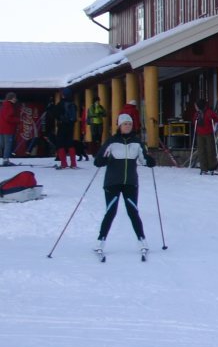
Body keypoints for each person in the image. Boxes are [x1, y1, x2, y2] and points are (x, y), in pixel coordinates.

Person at [92, 113, 155, 256]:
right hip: (112, 183)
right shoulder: (112, 142)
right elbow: (98, 159)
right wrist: (101, 160)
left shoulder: (137, 142)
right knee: (111, 212)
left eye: (130, 124)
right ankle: (100, 242)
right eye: (125, 124)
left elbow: (143, 159)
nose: (127, 126)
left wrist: (149, 161)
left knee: (133, 212)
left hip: (130, 182)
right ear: (119, 126)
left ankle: (142, 241)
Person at [54, 89, 80, 170]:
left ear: (63, 95)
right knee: (70, 144)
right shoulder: (73, 104)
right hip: (71, 126)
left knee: (60, 144)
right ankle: (73, 163)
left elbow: (55, 114)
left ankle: (63, 163)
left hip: (62, 126)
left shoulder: (61, 104)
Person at [193, 98, 218, 174]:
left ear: (200, 105)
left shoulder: (209, 112)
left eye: (196, 106)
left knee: (210, 150)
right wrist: (196, 120)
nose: (195, 107)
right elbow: (194, 120)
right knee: (201, 150)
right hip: (200, 134)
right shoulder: (197, 113)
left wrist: (213, 120)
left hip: (208, 133)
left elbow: (217, 118)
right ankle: (203, 167)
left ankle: (211, 167)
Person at [1, 92, 19, 166]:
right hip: (7, 128)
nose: (16, 99)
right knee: (8, 145)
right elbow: (8, 118)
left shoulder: (3, 105)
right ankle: (6, 160)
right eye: (14, 98)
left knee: (3, 145)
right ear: (11, 98)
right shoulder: (9, 106)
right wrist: (17, 120)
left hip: (1, 128)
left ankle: (5, 159)